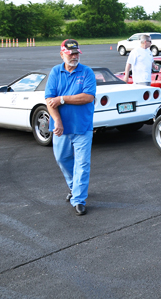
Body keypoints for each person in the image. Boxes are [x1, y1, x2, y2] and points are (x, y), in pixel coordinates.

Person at [44, 39, 96, 216]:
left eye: (76, 53)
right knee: (62, 159)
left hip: (82, 126)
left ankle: (79, 199)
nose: (74, 56)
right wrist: (57, 120)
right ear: (62, 54)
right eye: (70, 53)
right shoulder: (55, 72)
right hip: (61, 128)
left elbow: (88, 97)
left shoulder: (86, 72)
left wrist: (62, 99)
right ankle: (75, 188)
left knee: (82, 163)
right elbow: (49, 100)